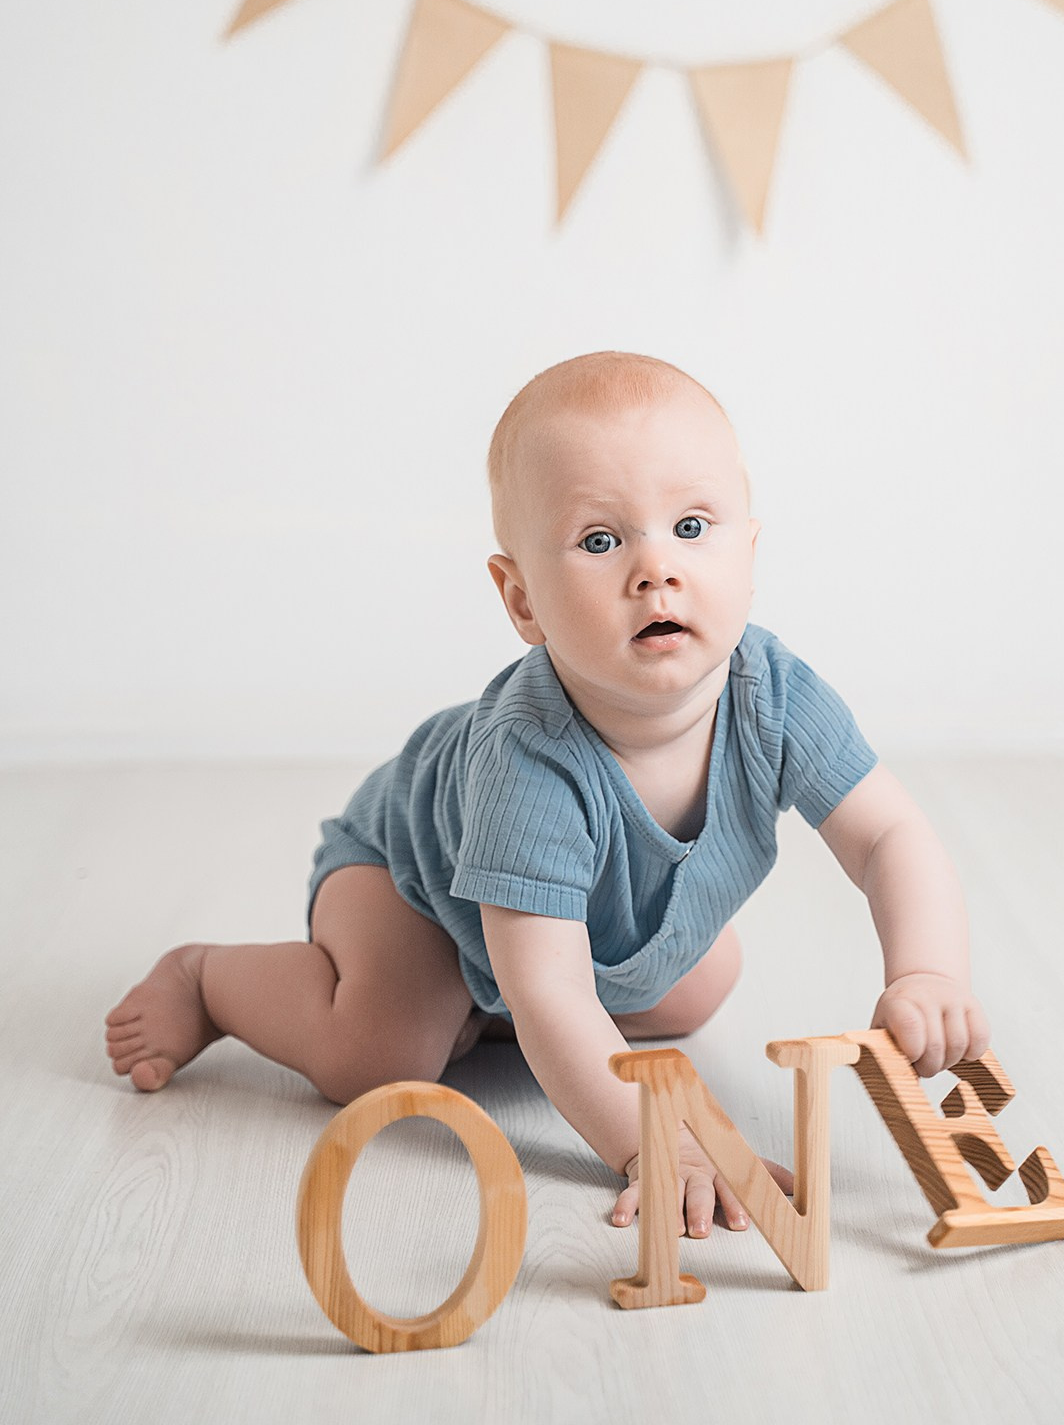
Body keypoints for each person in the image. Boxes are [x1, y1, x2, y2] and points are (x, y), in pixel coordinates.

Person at [106, 350, 990, 1240]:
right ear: (521, 599)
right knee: (385, 1052)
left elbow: (888, 838)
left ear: (751, 553)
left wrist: (928, 970)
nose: (656, 569)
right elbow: (556, 996)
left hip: (556, 940)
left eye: (691, 526)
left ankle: (486, 1012)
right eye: (601, 541)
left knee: (697, 985)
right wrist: (657, 1143)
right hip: (408, 882)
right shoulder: (531, 758)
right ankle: (211, 980)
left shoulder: (777, 695)